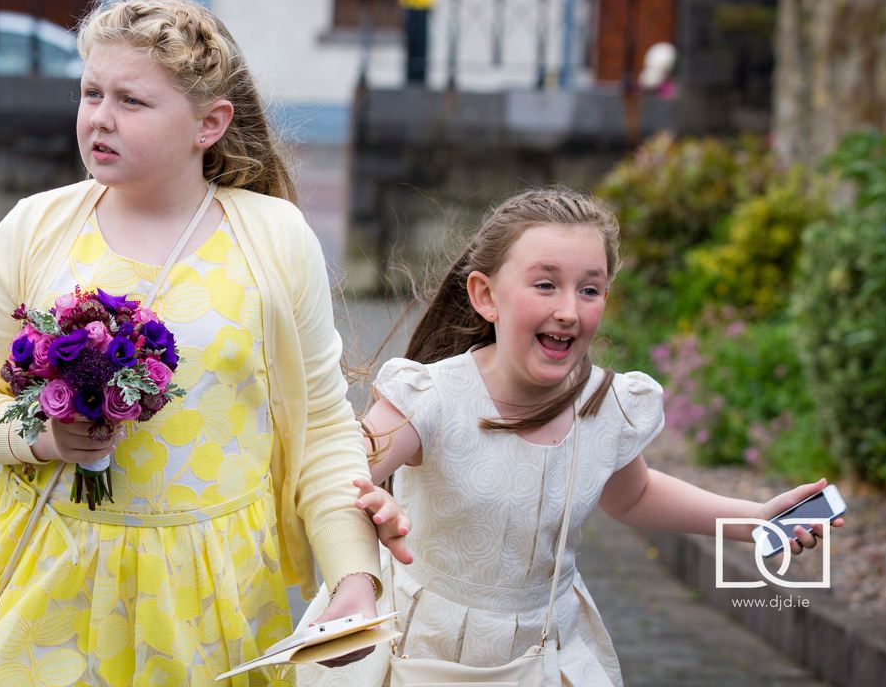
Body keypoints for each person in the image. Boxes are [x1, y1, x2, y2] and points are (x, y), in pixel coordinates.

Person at [0, 0, 408, 686]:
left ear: (209, 123)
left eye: (132, 101)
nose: (99, 118)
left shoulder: (272, 238)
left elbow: (325, 428)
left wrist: (353, 578)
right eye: (91, 93)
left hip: (214, 589)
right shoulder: (35, 229)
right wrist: (40, 436)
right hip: (57, 573)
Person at [296, 187, 843, 686]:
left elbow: (637, 495)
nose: (568, 310)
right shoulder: (429, 397)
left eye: (590, 289)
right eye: (544, 284)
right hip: (420, 650)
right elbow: (336, 479)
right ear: (486, 295)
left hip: (545, 656)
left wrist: (753, 519)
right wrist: (363, 554)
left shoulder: (608, 406)